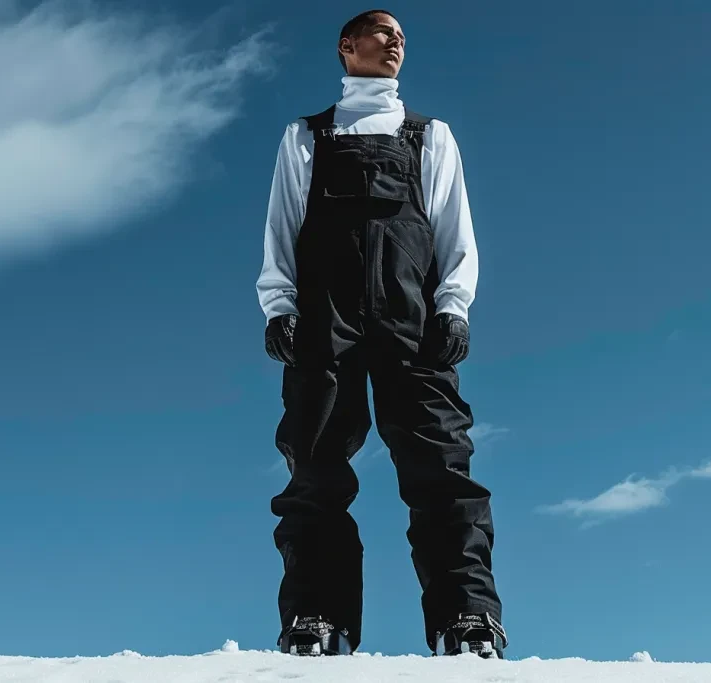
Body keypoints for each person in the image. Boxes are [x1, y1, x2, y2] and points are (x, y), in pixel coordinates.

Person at [256, 9, 507, 659]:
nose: (396, 41)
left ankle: (469, 617)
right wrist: (279, 305)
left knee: (443, 466)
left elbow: (455, 230)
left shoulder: (429, 137)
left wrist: (454, 306)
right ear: (347, 47)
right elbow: (281, 230)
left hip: (413, 321)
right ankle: (315, 616)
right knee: (314, 470)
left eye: (402, 35)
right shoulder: (307, 137)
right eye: (381, 32)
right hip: (324, 322)